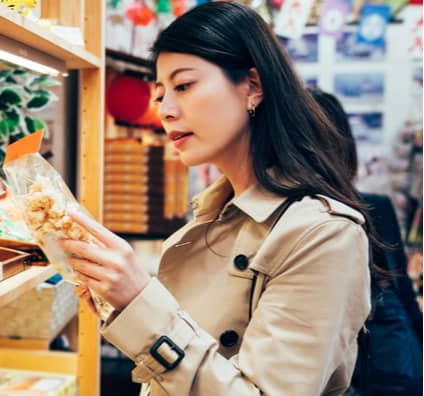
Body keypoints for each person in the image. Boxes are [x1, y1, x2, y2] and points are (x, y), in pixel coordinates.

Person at [59, 2, 380, 395]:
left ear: (253, 86)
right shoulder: (214, 217)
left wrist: (141, 301)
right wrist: (121, 303)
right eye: (159, 93)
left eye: (184, 85)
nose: (165, 110)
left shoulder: (323, 233)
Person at [309, 88, 423, 395]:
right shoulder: (375, 206)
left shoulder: (295, 221)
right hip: (395, 367)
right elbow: (406, 298)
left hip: (357, 373)